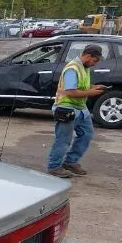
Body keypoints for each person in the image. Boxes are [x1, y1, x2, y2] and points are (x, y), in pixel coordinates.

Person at [47, 44, 107, 178]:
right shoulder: (72, 69)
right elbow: (70, 91)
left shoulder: (84, 67)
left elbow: (80, 85)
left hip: (80, 107)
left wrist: (94, 86)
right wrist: (91, 92)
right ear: (88, 55)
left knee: (86, 134)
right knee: (63, 139)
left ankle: (70, 162)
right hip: (66, 107)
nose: (95, 64)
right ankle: (54, 166)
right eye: (95, 60)